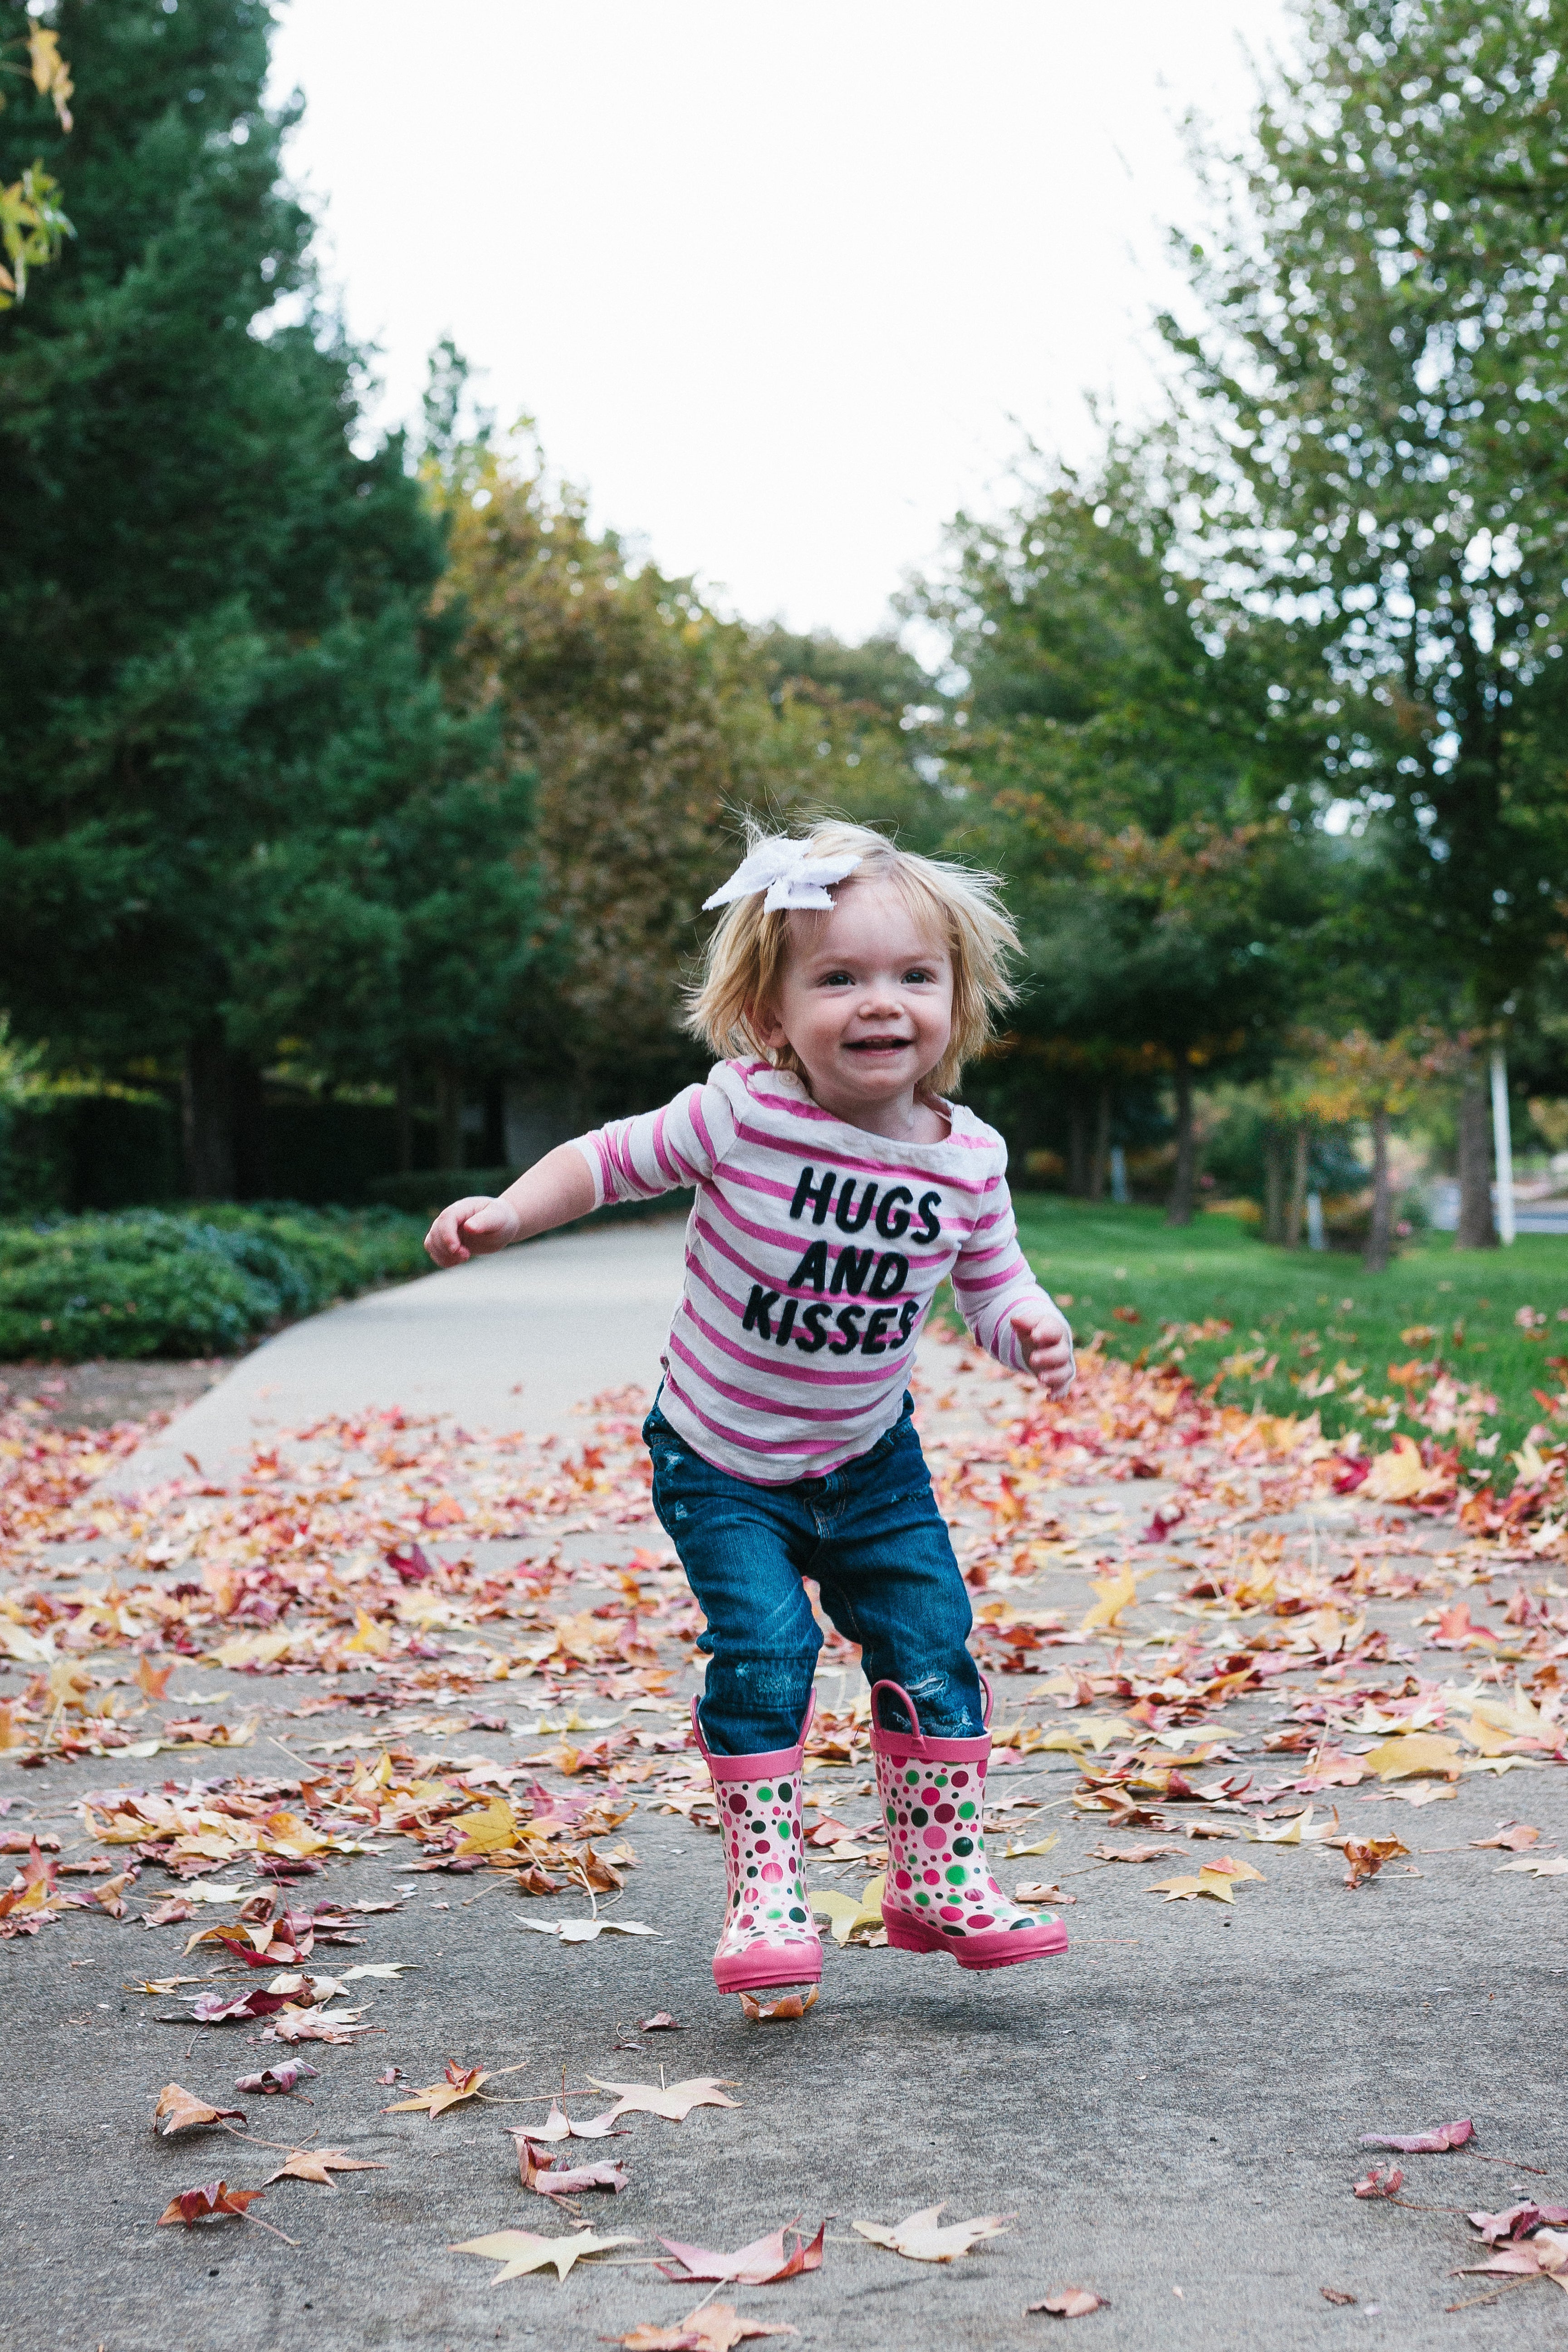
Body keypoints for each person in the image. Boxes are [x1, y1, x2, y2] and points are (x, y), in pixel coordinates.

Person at [425, 821, 1076, 2003]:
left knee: (930, 1639)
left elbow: (991, 1279)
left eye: (912, 977)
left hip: (873, 1460)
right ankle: (766, 1882)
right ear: (774, 1017)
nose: (881, 1003)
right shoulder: (743, 1116)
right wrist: (511, 1213)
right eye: (839, 979)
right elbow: (609, 1158)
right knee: (769, 1646)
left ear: (957, 1001)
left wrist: (1026, 1328)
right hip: (721, 1459)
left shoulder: (969, 1159)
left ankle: (935, 1874)